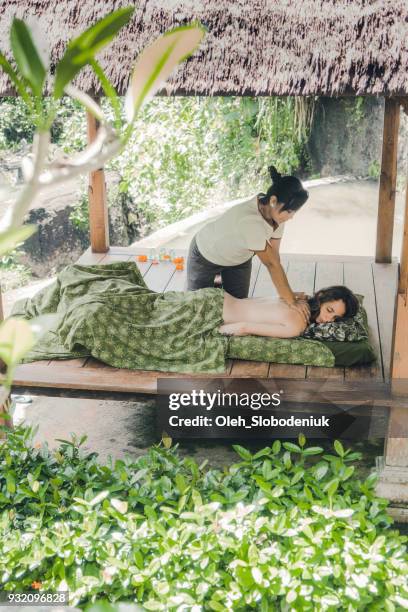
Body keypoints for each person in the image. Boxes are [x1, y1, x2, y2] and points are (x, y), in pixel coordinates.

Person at [187, 165, 310, 323]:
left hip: (239, 259)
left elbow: (274, 258)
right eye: (289, 212)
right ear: (273, 201)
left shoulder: (277, 216)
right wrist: (291, 301)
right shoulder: (250, 221)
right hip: (206, 255)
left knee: (238, 308)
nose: (291, 217)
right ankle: (216, 282)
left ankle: (218, 283)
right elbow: (271, 264)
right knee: (196, 310)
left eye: (294, 212)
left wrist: (288, 295)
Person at [219, 285, 359, 338]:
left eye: (335, 318)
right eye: (329, 310)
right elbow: (244, 327)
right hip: (211, 313)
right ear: (321, 297)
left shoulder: (294, 297)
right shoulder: (297, 326)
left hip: (218, 295)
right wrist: (214, 333)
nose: (328, 319)